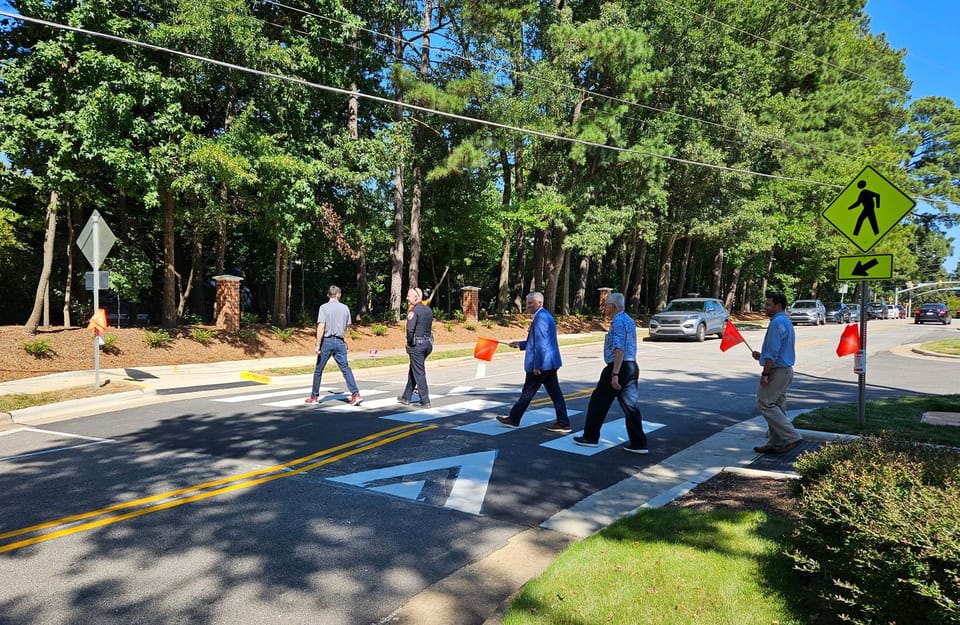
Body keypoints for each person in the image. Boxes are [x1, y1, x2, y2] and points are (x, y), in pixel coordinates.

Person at [573, 293, 649, 454]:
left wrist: (614, 374)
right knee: (630, 406)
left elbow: (619, 348)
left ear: (613, 307)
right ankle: (639, 443)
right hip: (631, 366)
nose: (604, 307)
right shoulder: (628, 319)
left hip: (618, 366)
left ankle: (590, 437)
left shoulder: (618, 321)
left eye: (606, 304)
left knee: (598, 402)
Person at [496, 292, 571, 433]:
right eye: (527, 303)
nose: (528, 306)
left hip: (542, 364)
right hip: (550, 363)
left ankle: (513, 419)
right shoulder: (544, 316)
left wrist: (537, 365)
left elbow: (541, 344)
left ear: (539, 303)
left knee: (528, 392)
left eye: (531, 303)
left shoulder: (541, 318)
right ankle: (563, 422)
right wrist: (520, 344)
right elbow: (537, 341)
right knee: (555, 394)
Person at [751, 291, 803, 454]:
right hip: (785, 370)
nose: (765, 307)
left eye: (768, 304)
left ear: (778, 306)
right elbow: (777, 350)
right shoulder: (785, 321)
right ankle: (776, 442)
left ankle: (792, 437)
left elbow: (773, 352)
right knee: (778, 406)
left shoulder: (776, 323)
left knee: (764, 403)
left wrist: (765, 374)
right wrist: (762, 357)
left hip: (777, 372)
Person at [305, 286, 361, 406]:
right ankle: (355, 394)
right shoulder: (345, 308)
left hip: (327, 341)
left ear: (328, 295)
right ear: (338, 295)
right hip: (340, 341)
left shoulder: (324, 308)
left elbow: (321, 326)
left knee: (319, 370)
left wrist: (317, 344)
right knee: (345, 369)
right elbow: (348, 326)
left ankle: (314, 396)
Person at [398, 287, 434, 408]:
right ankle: (406, 397)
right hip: (427, 344)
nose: (407, 298)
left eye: (409, 296)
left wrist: (409, 343)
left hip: (417, 345)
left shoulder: (413, 311)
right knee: (414, 369)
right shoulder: (428, 310)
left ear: (416, 297)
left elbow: (410, 330)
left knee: (419, 372)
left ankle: (425, 401)